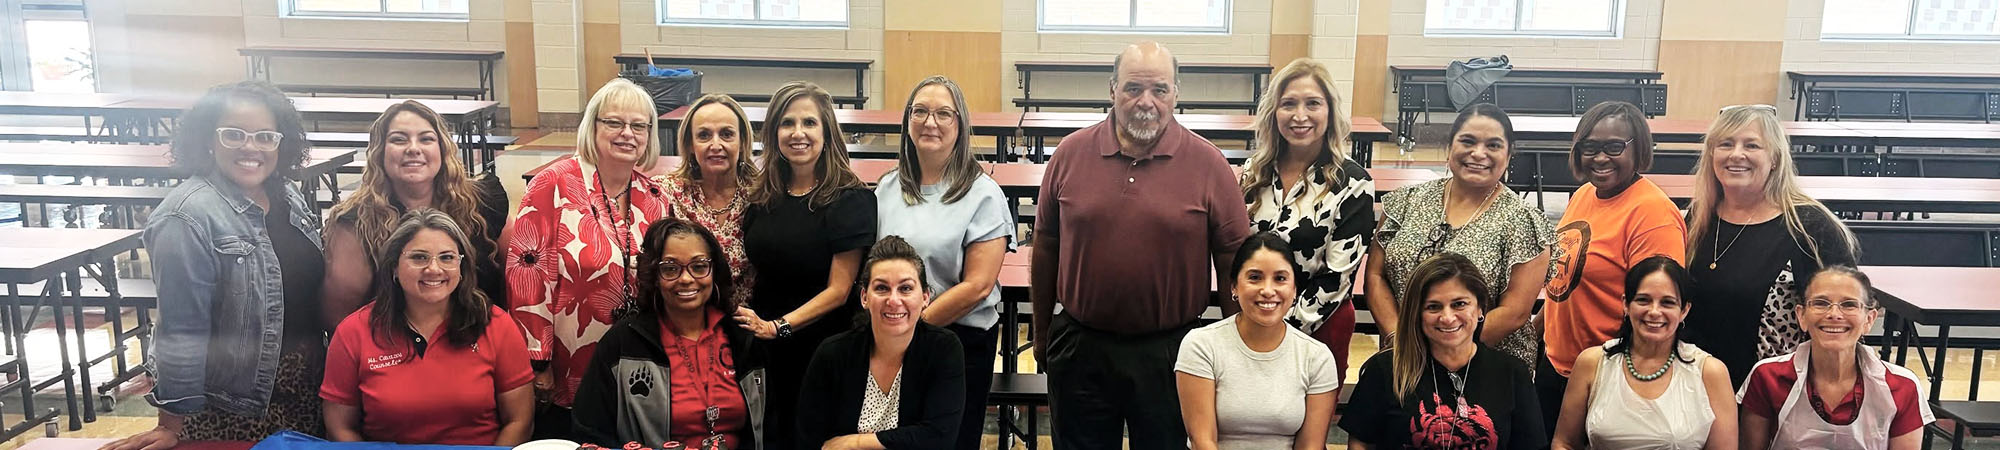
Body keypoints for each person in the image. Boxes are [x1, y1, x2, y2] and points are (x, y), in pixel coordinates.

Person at [1030, 41, 1252, 450]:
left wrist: (1234, 350)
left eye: (1159, 90)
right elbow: (1045, 245)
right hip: (1082, 347)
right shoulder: (1069, 154)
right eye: (1133, 88)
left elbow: (1232, 262)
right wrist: (1042, 333)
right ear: (1112, 89)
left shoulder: (1208, 164)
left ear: (1176, 94)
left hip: (1172, 351)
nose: (1145, 102)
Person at [105, 81, 326, 450]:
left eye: (265, 136)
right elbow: (181, 328)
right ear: (208, 139)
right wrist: (171, 424)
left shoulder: (285, 193)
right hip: (235, 406)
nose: (250, 147)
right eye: (233, 134)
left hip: (305, 388)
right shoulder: (185, 216)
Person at [506, 78, 672, 435]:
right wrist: (538, 360)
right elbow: (528, 274)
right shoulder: (553, 184)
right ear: (592, 126)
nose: (627, 133)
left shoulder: (654, 197)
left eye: (638, 125)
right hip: (566, 359)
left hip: (634, 362)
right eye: (614, 122)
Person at [731, 81, 877, 450]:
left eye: (809, 123)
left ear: (827, 132)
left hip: (821, 345)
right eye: (787, 123)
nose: (798, 133)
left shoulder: (850, 199)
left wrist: (778, 327)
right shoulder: (764, 196)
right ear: (774, 132)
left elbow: (839, 290)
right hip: (765, 346)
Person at [874, 75, 1013, 450]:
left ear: (960, 125)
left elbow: (978, 286)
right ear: (907, 121)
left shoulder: (983, 194)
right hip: (894, 337)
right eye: (920, 111)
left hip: (959, 343)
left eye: (943, 114)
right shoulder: (887, 188)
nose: (929, 122)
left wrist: (913, 326)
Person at [1364, 103, 1553, 374]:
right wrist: (1402, 343)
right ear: (1449, 146)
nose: (1478, 153)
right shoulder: (1406, 201)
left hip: (1484, 366)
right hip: (1402, 360)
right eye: (1468, 141)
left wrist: (1446, 352)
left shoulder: (1524, 220)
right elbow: (1376, 275)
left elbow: (1514, 312)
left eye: (1493, 145)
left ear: (1509, 154)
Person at [320, 209, 535, 445]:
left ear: (461, 268)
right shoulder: (354, 332)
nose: (434, 269)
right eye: (419, 257)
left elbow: (519, 421)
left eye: (447, 258)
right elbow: (339, 428)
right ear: (394, 266)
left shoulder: (495, 325)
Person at [1681, 104, 1859, 388]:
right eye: (1725, 144)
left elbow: (1845, 315)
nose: (1736, 154)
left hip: (1770, 395)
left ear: (1775, 158)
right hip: (1695, 385)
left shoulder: (1810, 226)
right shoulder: (1699, 218)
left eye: (1752, 145)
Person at [1539, 101, 1687, 431]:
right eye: (1589, 147)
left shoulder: (1653, 216)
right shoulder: (1583, 195)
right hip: (1557, 364)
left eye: (1614, 147)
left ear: (1639, 149)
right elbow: (1564, 280)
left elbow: (1658, 314)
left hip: (1609, 375)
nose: (1600, 157)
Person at [571, 219, 767, 449]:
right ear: (654, 275)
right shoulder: (622, 343)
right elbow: (589, 433)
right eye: (670, 268)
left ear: (714, 271)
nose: (686, 279)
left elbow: (773, 430)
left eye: (699, 266)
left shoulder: (743, 337)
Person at [1239, 57, 1375, 379]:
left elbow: (1338, 277)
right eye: (1289, 104)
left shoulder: (1353, 182)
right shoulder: (1252, 173)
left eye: (1313, 103)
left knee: (1307, 425)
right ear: (1274, 112)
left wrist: (1277, 331)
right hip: (1255, 319)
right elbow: (1238, 251)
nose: (1300, 116)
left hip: (1318, 327)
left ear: (1329, 111)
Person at [323, 100, 510, 330]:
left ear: (442, 149)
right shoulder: (356, 223)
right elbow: (339, 315)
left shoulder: (485, 203)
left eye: (426, 139)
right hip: (395, 352)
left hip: (481, 341)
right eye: (399, 139)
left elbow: (518, 279)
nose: (413, 148)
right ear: (380, 152)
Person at [1340, 253, 1547, 450]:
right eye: (1433, 307)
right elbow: (1361, 443)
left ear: (1480, 308)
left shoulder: (1511, 373)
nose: (1447, 318)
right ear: (1416, 313)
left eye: (1459, 304)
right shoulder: (1385, 369)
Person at [796, 236, 967, 449]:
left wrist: (855, 442)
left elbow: (938, 438)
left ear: (925, 298)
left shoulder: (943, 349)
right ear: (864, 297)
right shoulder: (832, 354)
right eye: (881, 288)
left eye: (905, 288)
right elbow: (809, 439)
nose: (894, 300)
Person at [1549, 256, 1737, 450]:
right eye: (1643, 300)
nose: (1654, 311)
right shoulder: (1592, 362)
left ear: (1684, 310)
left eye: (1667, 303)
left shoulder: (1710, 372)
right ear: (1626, 304)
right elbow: (1564, 442)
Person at [1738, 266, 1932, 450]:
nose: (1834, 314)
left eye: (1849, 305)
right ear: (1801, 316)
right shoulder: (1767, 377)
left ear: (1869, 319)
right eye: (1821, 303)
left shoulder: (1902, 386)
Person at [1175, 232, 1339, 450]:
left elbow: (1310, 446)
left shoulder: (1317, 357)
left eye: (1280, 278)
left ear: (1294, 288)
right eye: (1255, 277)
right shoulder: (1201, 345)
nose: (1267, 291)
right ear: (1234, 286)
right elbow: (1202, 441)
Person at [659, 93, 759, 307]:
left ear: (742, 142)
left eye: (726, 134)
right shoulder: (664, 192)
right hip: (684, 321)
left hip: (749, 326)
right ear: (689, 145)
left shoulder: (762, 195)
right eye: (704, 135)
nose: (716, 144)